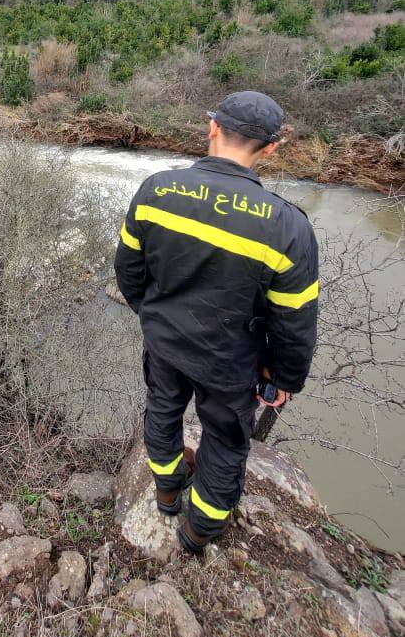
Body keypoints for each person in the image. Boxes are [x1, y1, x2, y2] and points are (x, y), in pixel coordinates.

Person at [114, 91, 319, 554]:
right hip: (231, 362)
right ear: (271, 148)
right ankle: (199, 531)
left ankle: (168, 494)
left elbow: (128, 271)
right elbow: (295, 323)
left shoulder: (156, 191)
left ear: (212, 129)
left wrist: (153, 316)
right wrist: (284, 378)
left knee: (162, 412)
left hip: (165, 344)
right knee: (225, 441)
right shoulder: (289, 228)